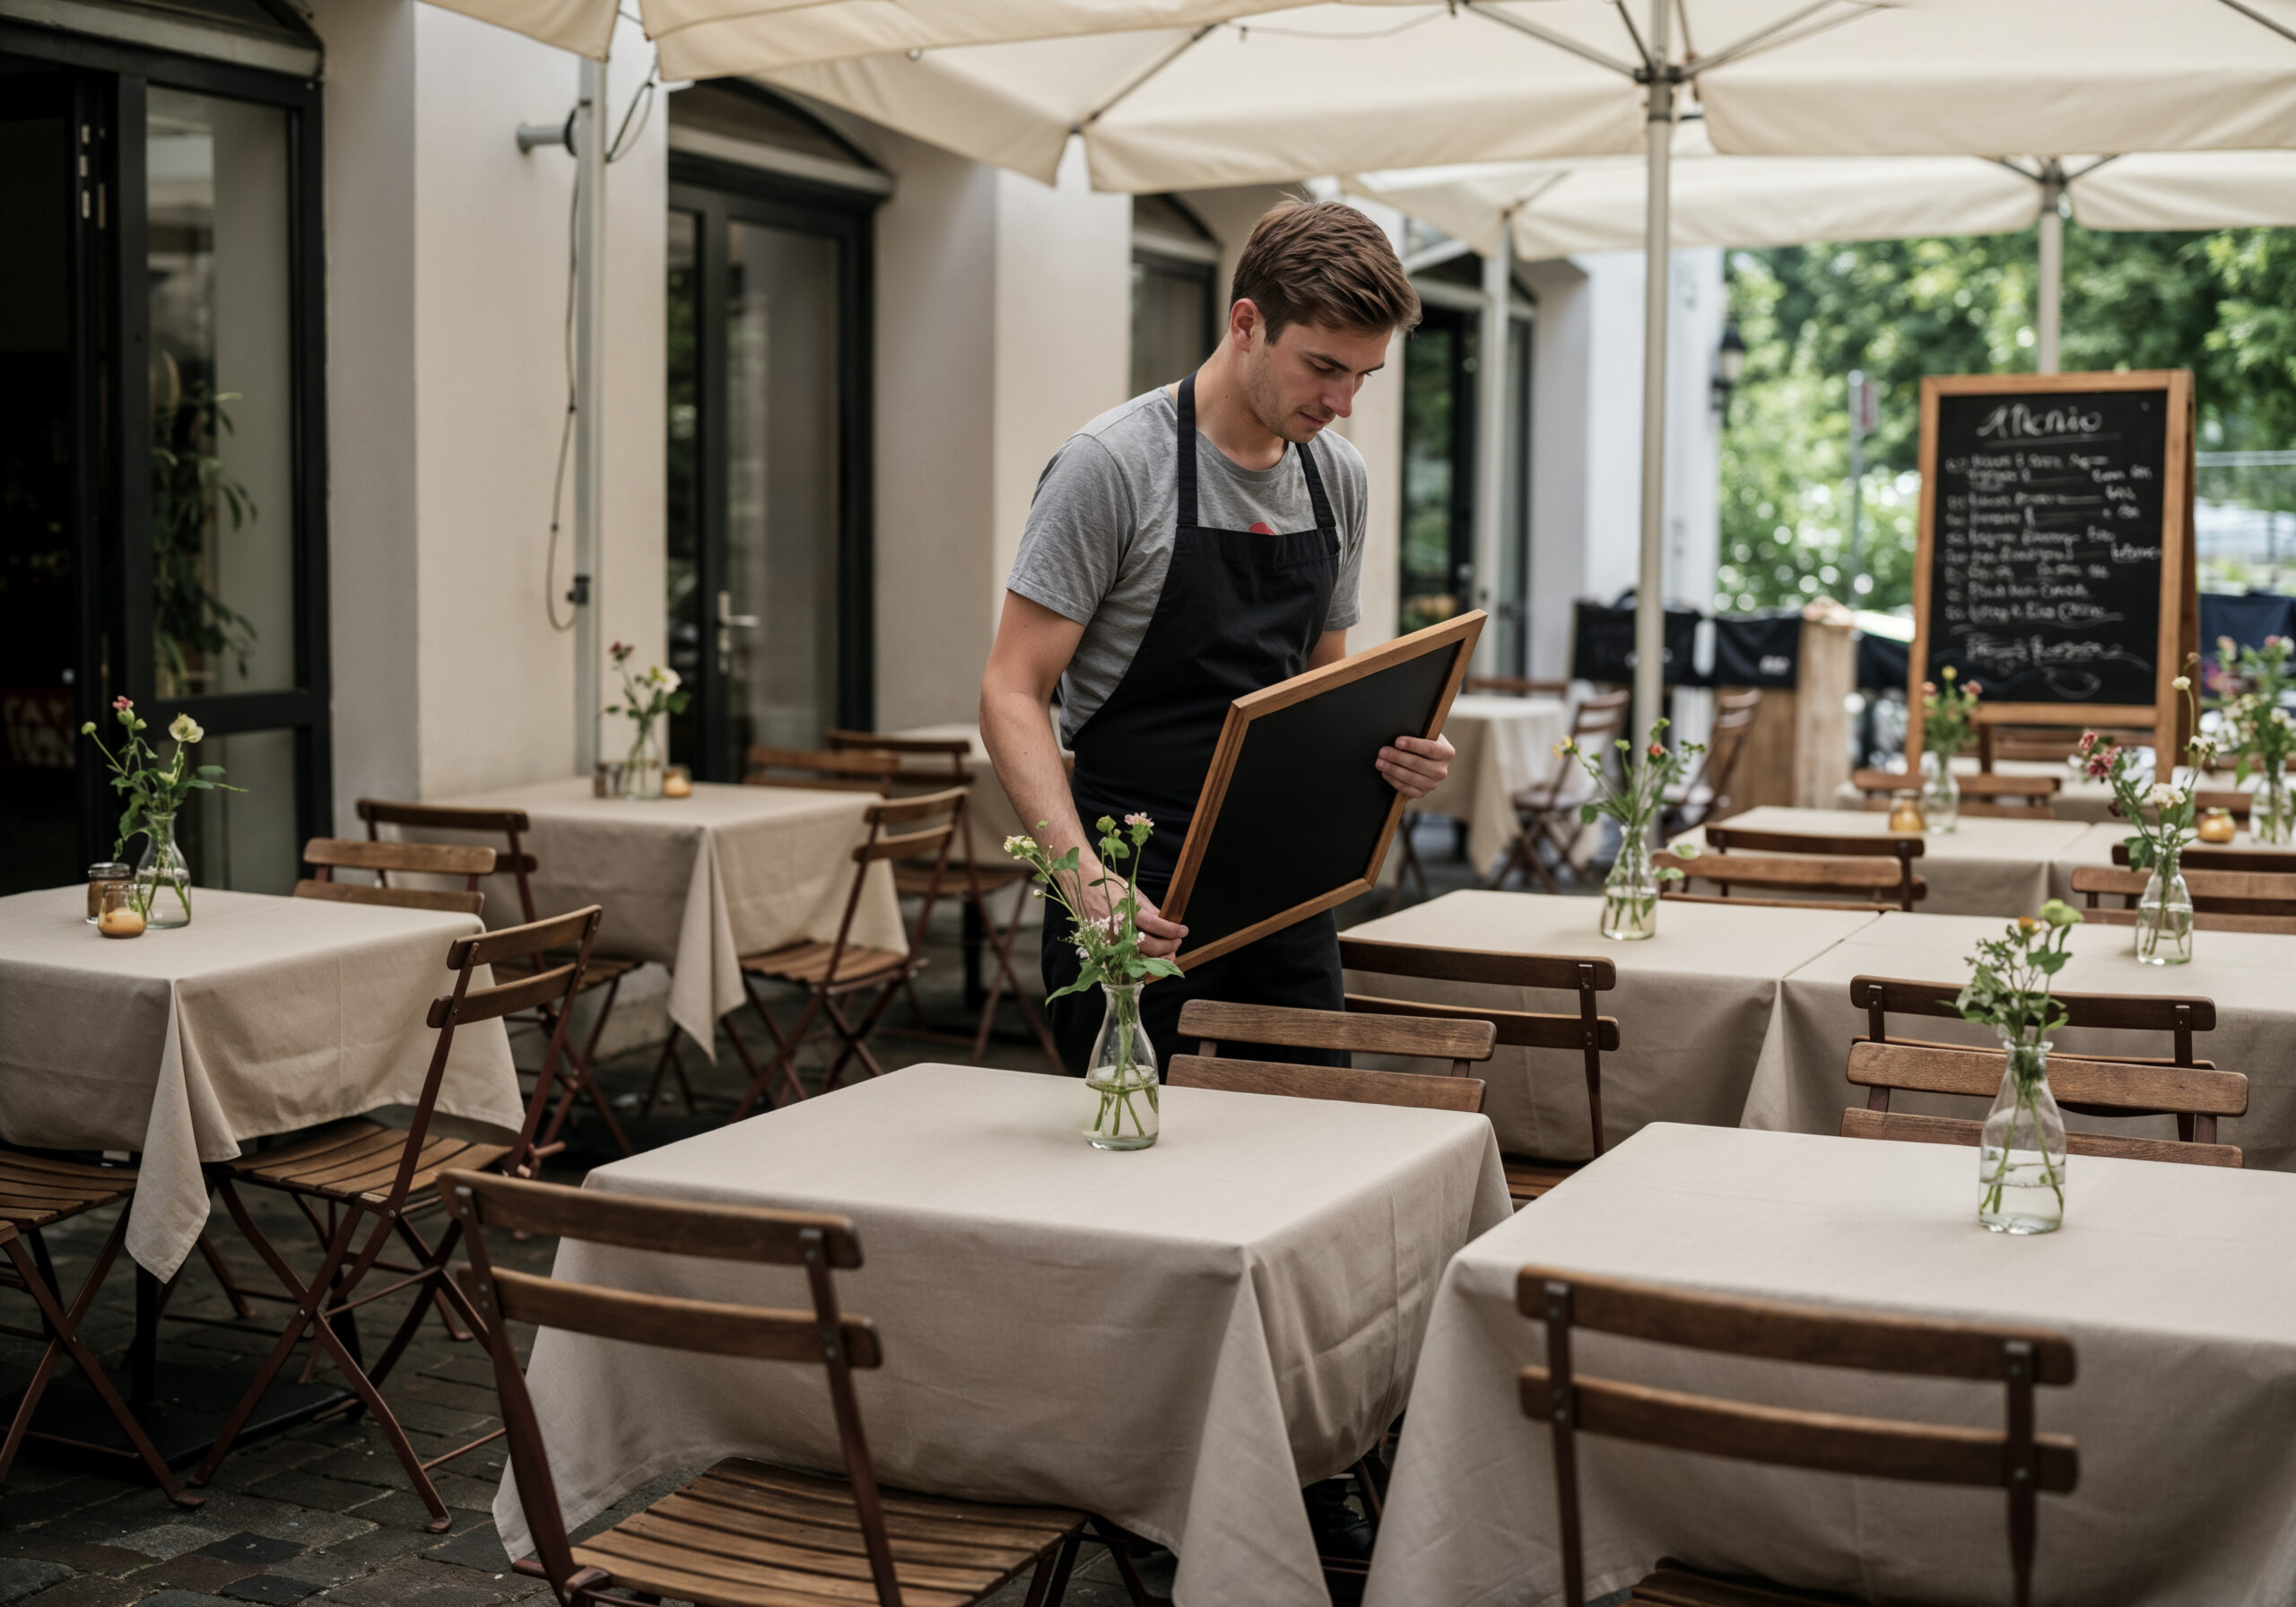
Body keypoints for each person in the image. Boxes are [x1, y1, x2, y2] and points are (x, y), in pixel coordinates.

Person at [980, 198, 1452, 1073]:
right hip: (1132, 879)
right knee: (1139, 1165)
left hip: (1284, 882)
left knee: (1306, 1153)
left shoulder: (1335, 478)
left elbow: (1318, 692)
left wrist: (1392, 757)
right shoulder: (1111, 467)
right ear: (1247, 323)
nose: (1342, 402)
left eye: (1364, 376)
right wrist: (1085, 885)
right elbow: (1010, 689)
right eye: (1322, 367)